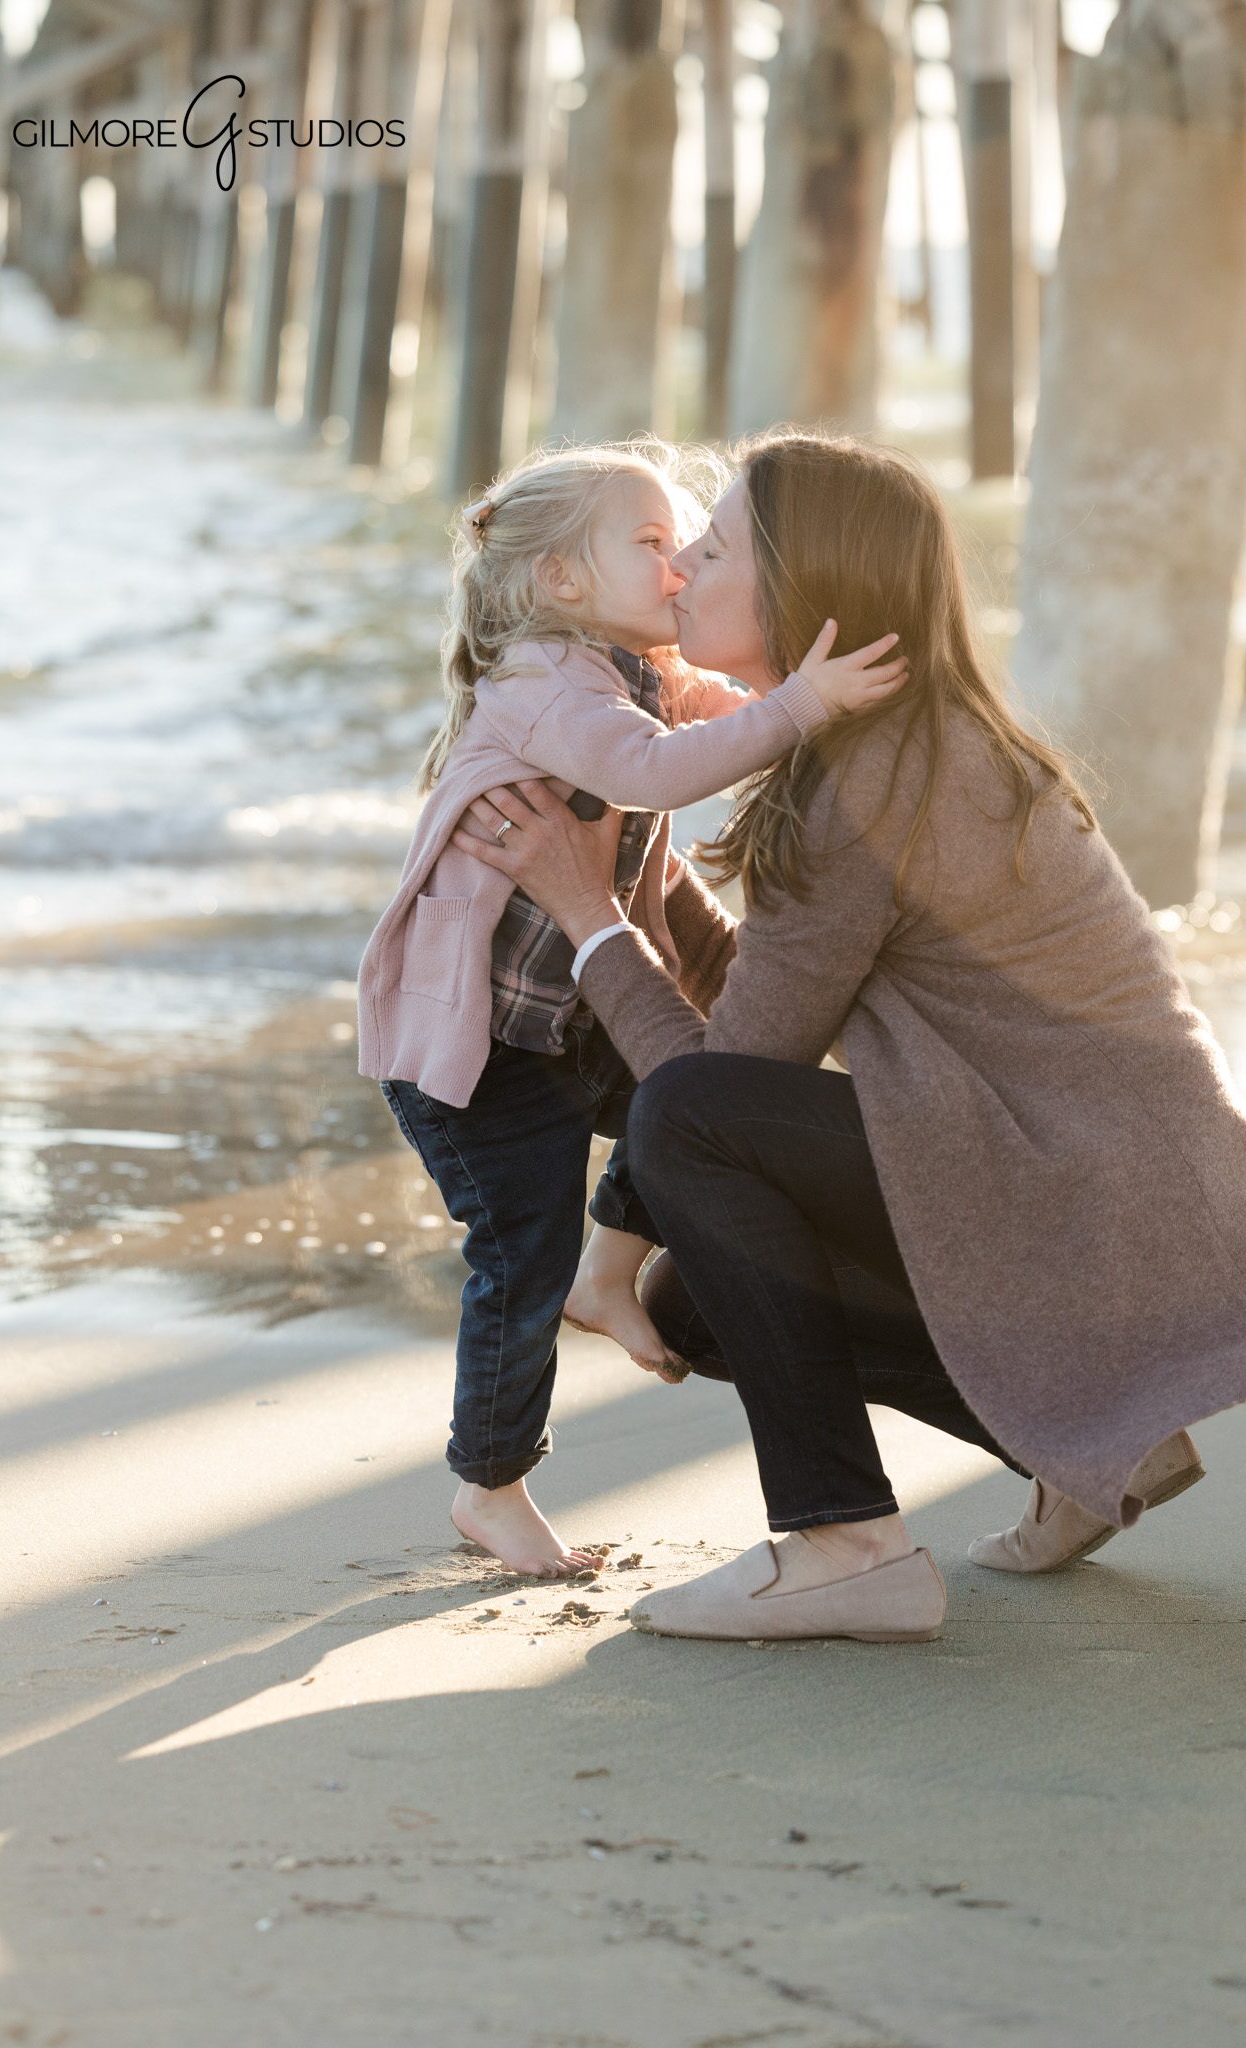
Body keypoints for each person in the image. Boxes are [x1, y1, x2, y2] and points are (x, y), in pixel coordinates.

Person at [454, 430, 1246, 1644]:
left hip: (1083, 1183)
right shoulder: (892, 743)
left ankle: (843, 1541)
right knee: (698, 1297)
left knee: (687, 1122)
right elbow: (775, 993)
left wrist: (590, 912)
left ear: (801, 587)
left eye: (711, 548)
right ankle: (1078, 1446)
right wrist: (635, 895)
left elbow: (721, 1084)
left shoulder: (869, 780)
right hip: (1079, 1166)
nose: (680, 574)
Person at [356, 439, 909, 1579]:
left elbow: (719, 708)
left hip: (560, 1028)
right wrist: (806, 701)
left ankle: (611, 1276)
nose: (676, 569)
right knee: (520, 1256)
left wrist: (800, 687)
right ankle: (490, 1481)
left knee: (692, 1099)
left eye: (689, 545)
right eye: (653, 544)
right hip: (485, 1061)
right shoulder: (552, 685)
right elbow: (665, 771)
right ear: (562, 580)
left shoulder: (621, 672)